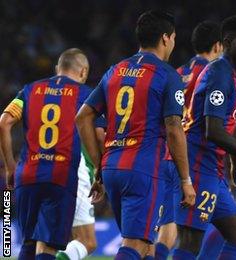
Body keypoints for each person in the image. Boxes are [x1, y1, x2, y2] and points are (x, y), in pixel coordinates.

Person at [75, 10, 196, 260]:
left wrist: (99, 164)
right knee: (136, 245)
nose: (173, 43)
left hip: (113, 169)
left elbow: (82, 117)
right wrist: (185, 180)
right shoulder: (167, 75)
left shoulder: (115, 71)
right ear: (165, 38)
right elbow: (174, 127)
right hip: (144, 169)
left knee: (148, 248)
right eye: (173, 38)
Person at [171, 15, 236, 259]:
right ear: (226, 43)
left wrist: (232, 167)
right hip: (197, 166)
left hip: (214, 172)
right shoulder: (219, 73)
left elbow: (228, 129)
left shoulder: (235, 75)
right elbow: (213, 130)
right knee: (190, 241)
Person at [0, 48, 92, 260]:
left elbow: (4, 123)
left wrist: (10, 166)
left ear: (57, 69)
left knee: (30, 242)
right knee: (48, 247)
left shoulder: (30, 89)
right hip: (60, 176)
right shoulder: (85, 94)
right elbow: (97, 132)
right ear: (83, 71)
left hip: (27, 174)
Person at [154, 19, 223, 260]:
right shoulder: (213, 73)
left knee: (169, 224)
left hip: (166, 154)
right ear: (218, 46)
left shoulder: (178, 72)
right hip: (195, 158)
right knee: (191, 230)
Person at [56, 117, 105, 260]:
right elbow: (100, 135)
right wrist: (102, 170)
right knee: (87, 241)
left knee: (49, 241)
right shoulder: (91, 99)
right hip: (77, 169)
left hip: (45, 166)